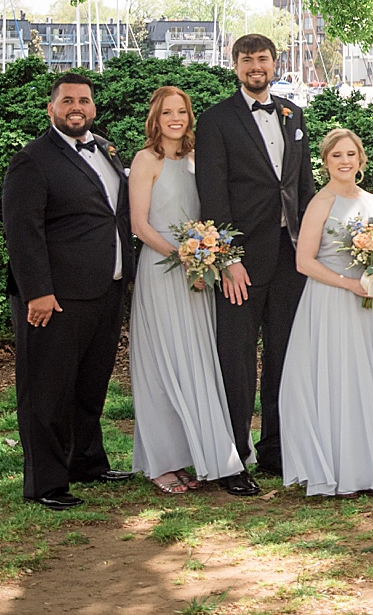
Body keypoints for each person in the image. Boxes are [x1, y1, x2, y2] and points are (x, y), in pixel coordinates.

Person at [1, 72, 136, 510]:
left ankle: (86, 463)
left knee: (89, 385)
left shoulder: (107, 150)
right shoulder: (33, 159)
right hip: (55, 296)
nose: (76, 107)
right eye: (67, 101)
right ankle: (46, 482)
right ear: (51, 109)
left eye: (84, 100)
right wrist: (37, 291)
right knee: (48, 390)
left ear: (93, 107)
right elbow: (22, 232)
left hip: (105, 288)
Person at [196, 34, 319, 493]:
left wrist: (311, 247)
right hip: (242, 262)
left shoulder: (293, 114)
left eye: (263, 59)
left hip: (291, 258)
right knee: (237, 361)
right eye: (246, 60)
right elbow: (213, 194)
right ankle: (233, 459)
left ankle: (276, 450)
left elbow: (302, 188)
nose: (255, 66)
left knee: (286, 357)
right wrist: (227, 259)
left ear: (275, 62)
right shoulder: (216, 121)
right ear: (235, 66)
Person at [127, 86, 244, 495]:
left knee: (195, 360)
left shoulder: (197, 160)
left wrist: (205, 261)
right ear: (155, 119)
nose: (175, 119)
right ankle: (161, 463)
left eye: (182, 112)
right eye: (167, 113)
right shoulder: (146, 160)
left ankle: (193, 452)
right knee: (163, 362)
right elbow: (140, 225)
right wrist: (184, 257)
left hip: (198, 274)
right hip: (162, 271)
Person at [278, 128, 373, 497]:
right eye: (337, 156)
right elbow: (304, 262)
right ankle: (335, 468)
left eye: (351, 154)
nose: (345, 161)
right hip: (330, 300)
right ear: (326, 162)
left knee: (362, 377)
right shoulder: (322, 201)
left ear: (361, 159)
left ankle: (366, 467)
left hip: (365, 302)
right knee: (334, 378)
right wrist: (346, 282)